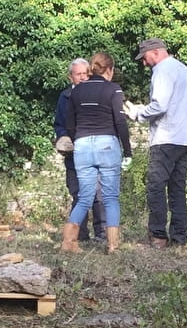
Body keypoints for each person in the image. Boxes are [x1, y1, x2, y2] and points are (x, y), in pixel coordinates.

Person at [124, 38, 187, 248]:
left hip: (167, 136)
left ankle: (158, 236)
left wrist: (138, 113)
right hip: (186, 137)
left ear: (156, 52)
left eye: (145, 57)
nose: (144, 63)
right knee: (177, 188)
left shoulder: (162, 70)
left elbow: (159, 105)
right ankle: (179, 237)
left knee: (156, 185)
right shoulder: (182, 69)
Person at [61, 51, 131, 253]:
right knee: (110, 198)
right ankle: (112, 245)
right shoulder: (113, 90)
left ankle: (68, 242)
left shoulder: (76, 91)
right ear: (109, 70)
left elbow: (69, 123)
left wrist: (77, 140)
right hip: (107, 144)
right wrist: (127, 152)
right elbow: (120, 122)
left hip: (82, 145)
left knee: (84, 197)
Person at [53, 57, 103, 242]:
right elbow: (58, 123)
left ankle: (102, 234)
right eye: (78, 74)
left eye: (85, 73)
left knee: (99, 195)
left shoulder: (98, 94)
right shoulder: (64, 97)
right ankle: (80, 235)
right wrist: (63, 137)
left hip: (94, 152)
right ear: (70, 77)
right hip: (73, 155)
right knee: (77, 193)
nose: (82, 77)